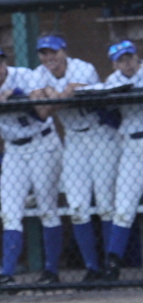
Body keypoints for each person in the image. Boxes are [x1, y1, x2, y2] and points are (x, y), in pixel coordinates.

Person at [0, 46, 64, 286]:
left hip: (43, 143)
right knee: (10, 211)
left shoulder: (24, 75)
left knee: (48, 209)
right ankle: (7, 274)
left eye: (0, 62)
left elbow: (42, 114)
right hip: (14, 150)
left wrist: (17, 94)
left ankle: (51, 272)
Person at [33, 35, 121, 283]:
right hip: (73, 139)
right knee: (77, 206)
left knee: (105, 203)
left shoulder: (83, 67)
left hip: (100, 135)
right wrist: (53, 95)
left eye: (54, 52)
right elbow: (42, 112)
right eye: (44, 53)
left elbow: (69, 95)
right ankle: (92, 268)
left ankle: (109, 267)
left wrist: (51, 93)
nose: (49, 58)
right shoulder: (38, 72)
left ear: (64, 51)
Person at [102, 40, 143, 281]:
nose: (126, 63)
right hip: (130, 146)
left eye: (129, 57)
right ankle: (113, 262)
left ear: (136, 56)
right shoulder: (113, 81)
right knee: (124, 207)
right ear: (115, 63)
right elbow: (108, 115)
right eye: (120, 60)